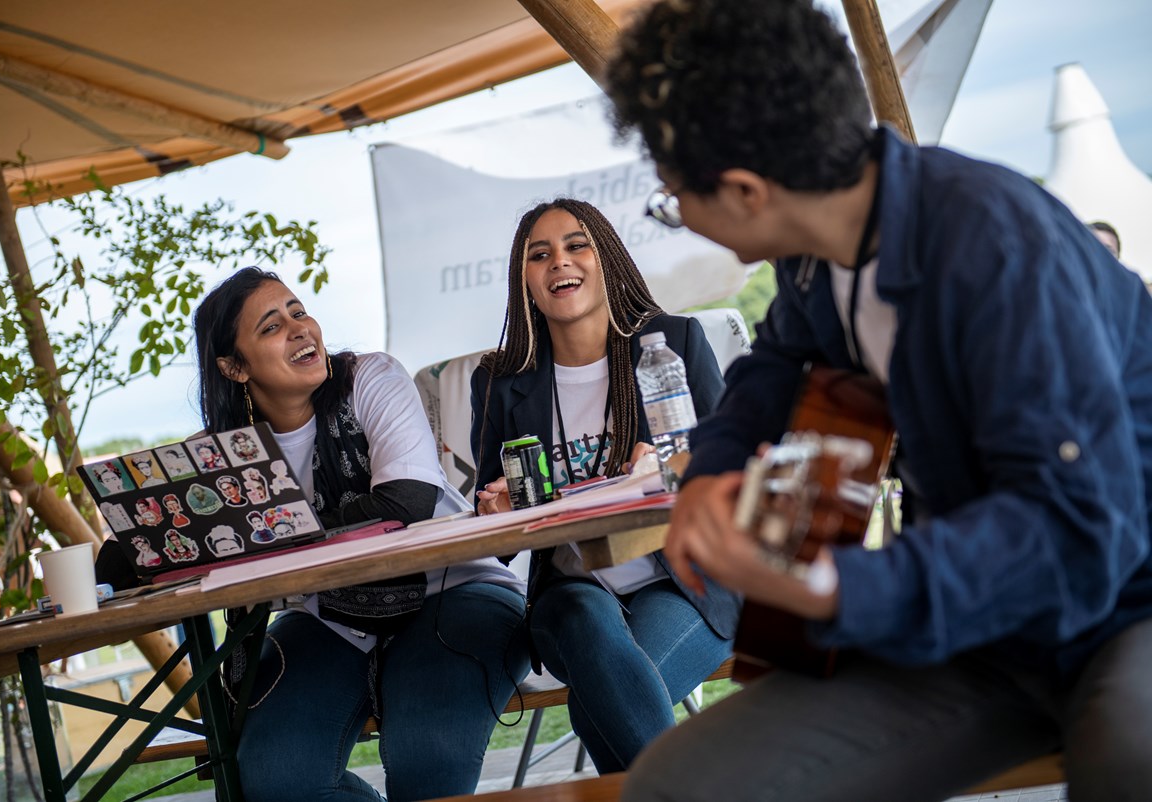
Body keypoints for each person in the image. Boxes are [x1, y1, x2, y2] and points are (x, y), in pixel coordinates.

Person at [604, 2, 1152, 801]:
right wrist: (707, 476)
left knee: (1133, 766)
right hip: (981, 634)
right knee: (682, 787)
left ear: (749, 191)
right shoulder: (816, 257)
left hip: (1127, 603)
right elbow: (778, 363)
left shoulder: (996, 247)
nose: (678, 216)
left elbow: (1074, 530)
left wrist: (838, 590)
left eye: (672, 198)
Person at [192, 267, 528, 802]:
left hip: (455, 590)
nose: (301, 329)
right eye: (272, 326)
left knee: (426, 767)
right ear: (234, 366)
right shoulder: (221, 454)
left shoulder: (370, 378)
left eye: (299, 312)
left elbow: (404, 503)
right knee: (276, 784)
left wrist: (268, 536)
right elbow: (148, 549)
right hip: (329, 617)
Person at [470, 198, 738, 773]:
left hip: (684, 580)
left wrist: (672, 463)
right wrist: (497, 509)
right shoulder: (498, 382)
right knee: (588, 630)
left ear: (606, 257)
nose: (558, 262)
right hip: (571, 594)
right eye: (539, 255)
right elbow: (498, 536)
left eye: (576, 245)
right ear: (526, 283)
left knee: (604, 708)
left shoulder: (675, 343)